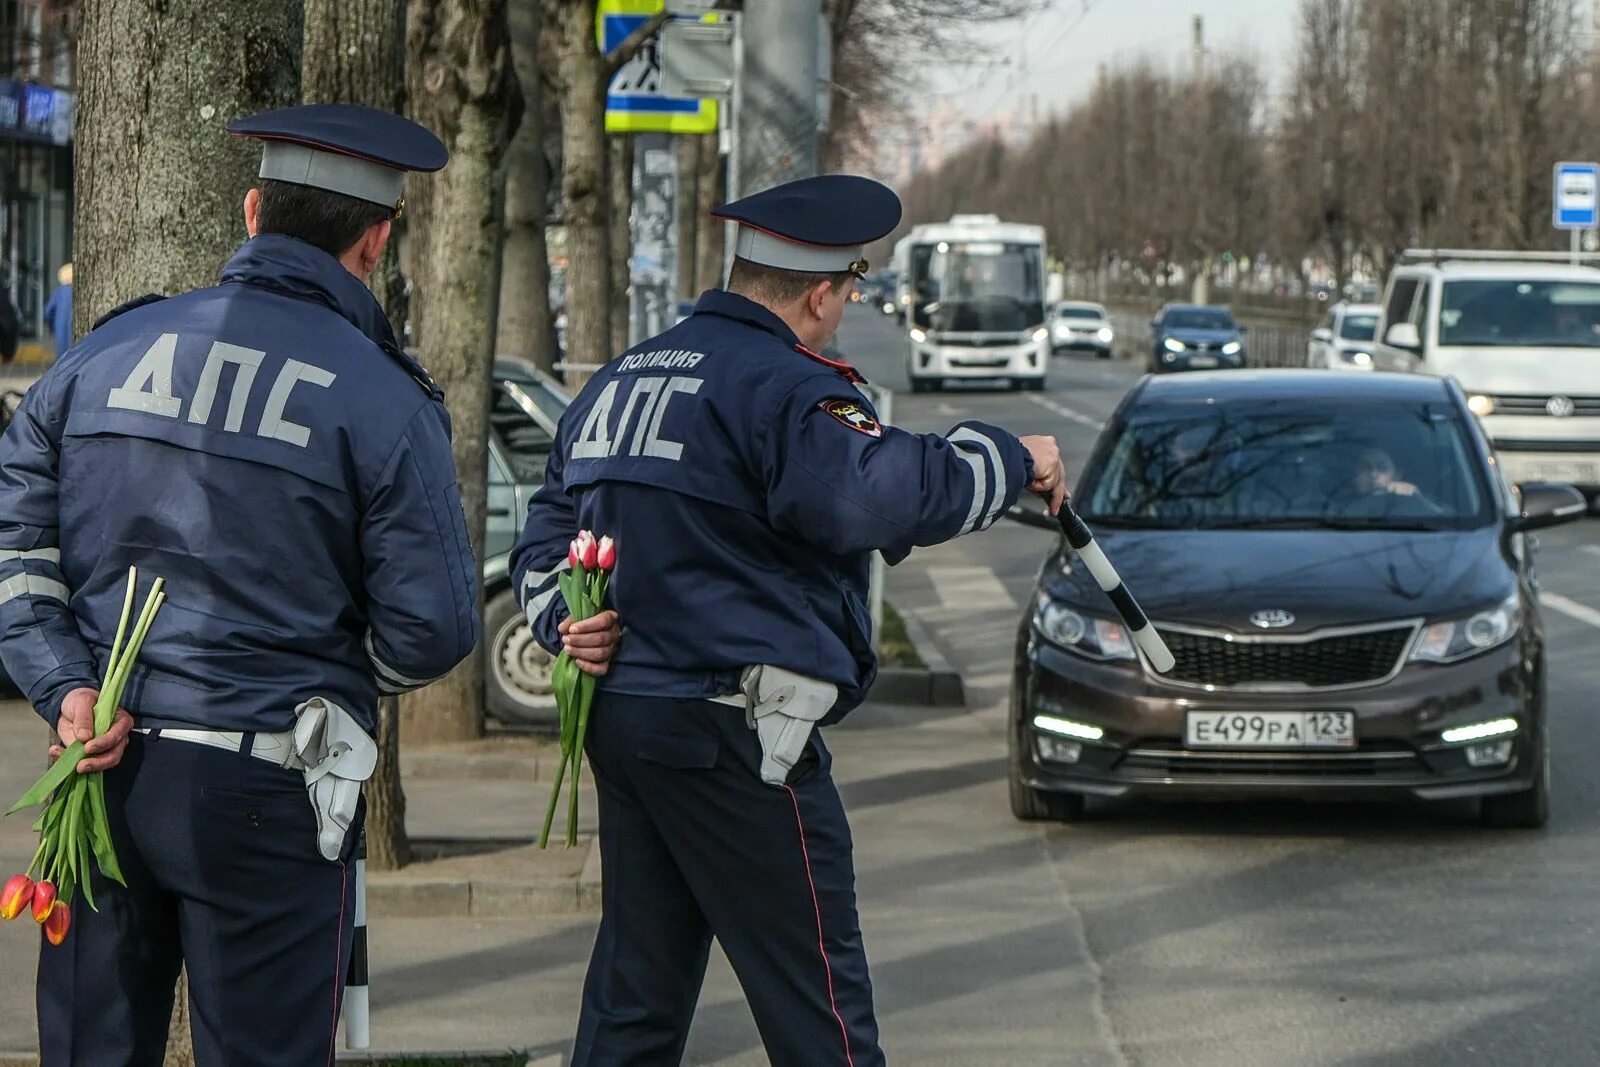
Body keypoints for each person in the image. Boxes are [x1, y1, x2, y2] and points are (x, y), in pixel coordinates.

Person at [510, 173, 1068, 1067]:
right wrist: (1006, 454)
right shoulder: (786, 387)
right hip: (741, 743)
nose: (847, 308)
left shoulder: (623, 377)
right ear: (820, 292)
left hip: (630, 726)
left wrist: (560, 619)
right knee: (822, 1022)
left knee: (633, 1005)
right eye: (849, 292)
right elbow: (886, 498)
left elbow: (546, 531)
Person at [0, 103, 478, 1065]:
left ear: (253, 212)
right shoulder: (383, 396)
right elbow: (432, 628)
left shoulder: (102, 354)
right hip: (266, 786)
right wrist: (326, 670)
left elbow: (18, 544)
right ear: (375, 242)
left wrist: (67, 685)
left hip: (98, 766)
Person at [42, 262, 71, 359]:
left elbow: (48, 311)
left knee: (62, 356)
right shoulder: (79, 292)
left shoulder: (59, 292)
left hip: (60, 328)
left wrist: (51, 327)